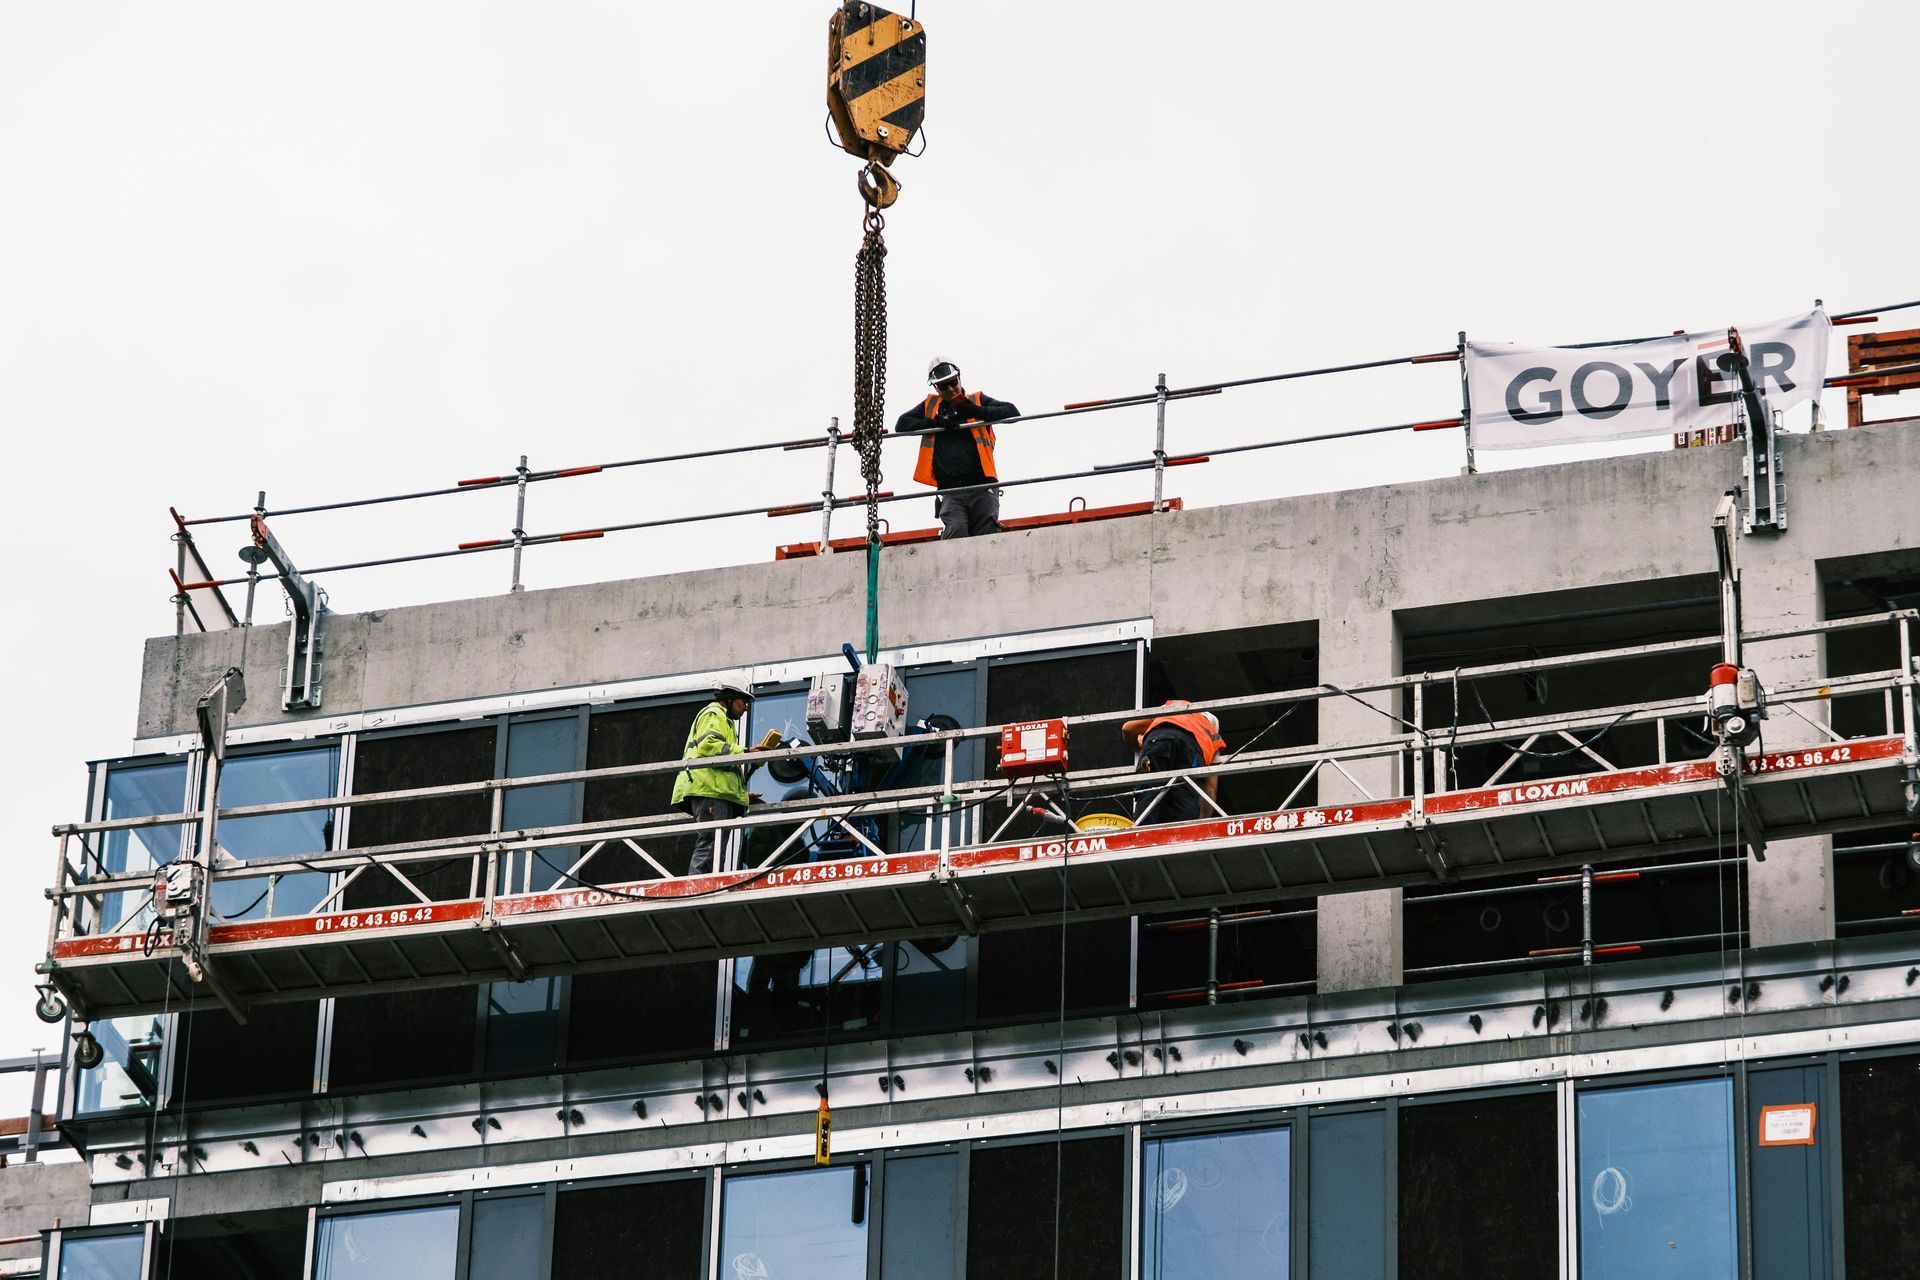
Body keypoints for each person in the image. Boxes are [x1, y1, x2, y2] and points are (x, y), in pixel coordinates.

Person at [894, 356, 1020, 539]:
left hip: (982, 485)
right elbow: (902, 424)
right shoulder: (930, 406)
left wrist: (975, 411)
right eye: (944, 386)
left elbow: (1012, 412)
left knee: (986, 537)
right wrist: (934, 423)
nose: (951, 389)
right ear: (936, 388)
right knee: (956, 533)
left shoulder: (976, 400)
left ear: (959, 378)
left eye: (953, 382)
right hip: (951, 490)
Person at [671, 681, 770, 875]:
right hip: (710, 791)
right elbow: (709, 746)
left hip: (715, 791)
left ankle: (706, 883)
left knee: (715, 848)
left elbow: (721, 765)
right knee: (711, 842)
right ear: (729, 697)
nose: (746, 708)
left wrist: (741, 795)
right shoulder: (714, 713)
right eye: (744, 701)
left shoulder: (724, 720)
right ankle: (698, 887)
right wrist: (746, 752)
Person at [1120, 699, 1226, 825]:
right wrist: (1202, 821)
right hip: (1191, 750)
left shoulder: (1168, 712)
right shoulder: (1212, 735)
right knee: (1186, 795)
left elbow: (1127, 728)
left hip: (1157, 742)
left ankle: (1142, 834)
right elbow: (1211, 790)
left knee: (1148, 791)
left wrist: (1139, 749)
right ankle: (1187, 834)